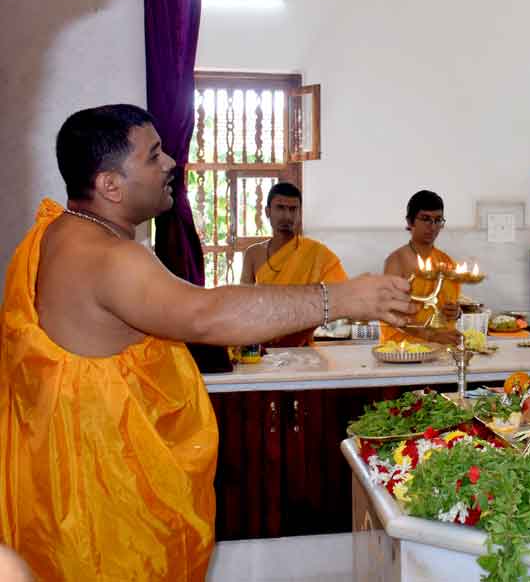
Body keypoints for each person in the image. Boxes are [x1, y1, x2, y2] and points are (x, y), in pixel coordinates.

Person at [0, 104, 428, 581]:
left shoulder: (54, 234)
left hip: (63, 484)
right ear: (110, 185)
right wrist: (341, 298)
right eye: (153, 155)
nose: (170, 163)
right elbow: (206, 315)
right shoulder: (109, 257)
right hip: (103, 506)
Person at [241, 182, 348, 346]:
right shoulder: (253, 254)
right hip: (262, 345)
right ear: (268, 211)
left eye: (293, 209)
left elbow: (341, 297)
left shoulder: (317, 253)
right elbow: (244, 304)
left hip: (302, 347)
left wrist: (304, 325)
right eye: (280, 208)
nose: (287, 216)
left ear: (299, 213)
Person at [383, 190, 461, 342]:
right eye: (426, 219)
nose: (432, 226)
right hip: (404, 349)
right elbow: (390, 313)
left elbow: (451, 306)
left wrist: (456, 313)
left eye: (438, 220)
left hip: (443, 347)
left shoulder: (447, 262)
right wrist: (431, 335)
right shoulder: (396, 260)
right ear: (410, 221)